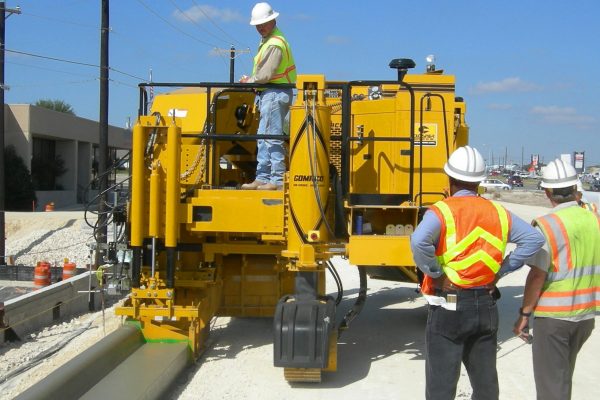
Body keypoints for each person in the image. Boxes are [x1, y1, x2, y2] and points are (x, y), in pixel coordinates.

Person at [410, 145, 545, 400]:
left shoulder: (442, 211)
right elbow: (532, 239)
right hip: (485, 304)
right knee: (485, 385)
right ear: (479, 181)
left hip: (450, 303)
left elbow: (418, 242)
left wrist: (436, 274)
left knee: (441, 385)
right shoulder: (498, 212)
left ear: (449, 179)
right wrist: (501, 271)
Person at [513, 158, 600, 400]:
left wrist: (524, 315)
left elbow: (537, 275)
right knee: (561, 380)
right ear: (575, 189)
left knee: (552, 388)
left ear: (547, 192)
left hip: (554, 319)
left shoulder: (546, 225)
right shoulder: (594, 218)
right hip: (585, 317)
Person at [240, 2, 296, 190]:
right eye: (257, 25)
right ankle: (263, 177)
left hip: (275, 92)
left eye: (263, 23)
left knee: (271, 137)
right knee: (263, 137)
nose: (260, 27)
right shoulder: (269, 41)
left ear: (273, 20)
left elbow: (265, 75)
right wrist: (252, 80)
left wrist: (250, 81)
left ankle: (277, 180)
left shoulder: (274, 44)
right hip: (270, 93)